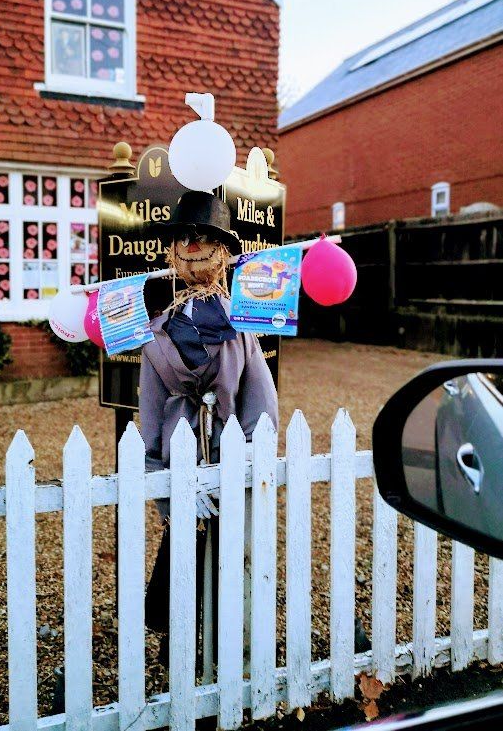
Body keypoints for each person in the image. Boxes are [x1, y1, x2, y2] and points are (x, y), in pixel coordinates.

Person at [140, 190, 278, 663]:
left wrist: (253, 459)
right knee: (181, 544)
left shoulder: (242, 325)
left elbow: (259, 399)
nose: (193, 244)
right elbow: (151, 413)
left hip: (228, 455)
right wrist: (161, 484)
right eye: (184, 237)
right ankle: (177, 644)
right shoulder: (158, 331)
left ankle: (225, 644)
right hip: (181, 459)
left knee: (228, 553)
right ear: (171, 250)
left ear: (223, 252)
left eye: (204, 237)